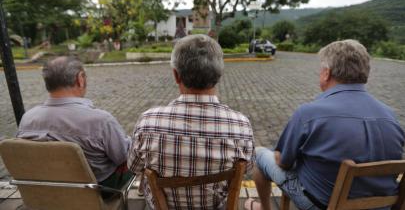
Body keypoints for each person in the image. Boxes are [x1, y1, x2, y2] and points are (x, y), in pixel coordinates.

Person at [246, 39, 405, 210]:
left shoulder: (309, 113)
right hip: (381, 206)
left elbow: (283, 162)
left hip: (322, 205)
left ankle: (264, 208)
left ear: (326, 73)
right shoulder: (391, 116)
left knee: (260, 154)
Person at [128, 34, 255, 209]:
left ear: (176, 75)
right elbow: (247, 169)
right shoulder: (241, 126)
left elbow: (134, 166)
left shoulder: (148, 123)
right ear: (219, 75)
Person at [17, 56, 132, 193]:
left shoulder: (27, 119)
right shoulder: (100, 121)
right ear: (80, 79)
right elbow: (124, 156)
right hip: (96, 191)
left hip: (47, 190)